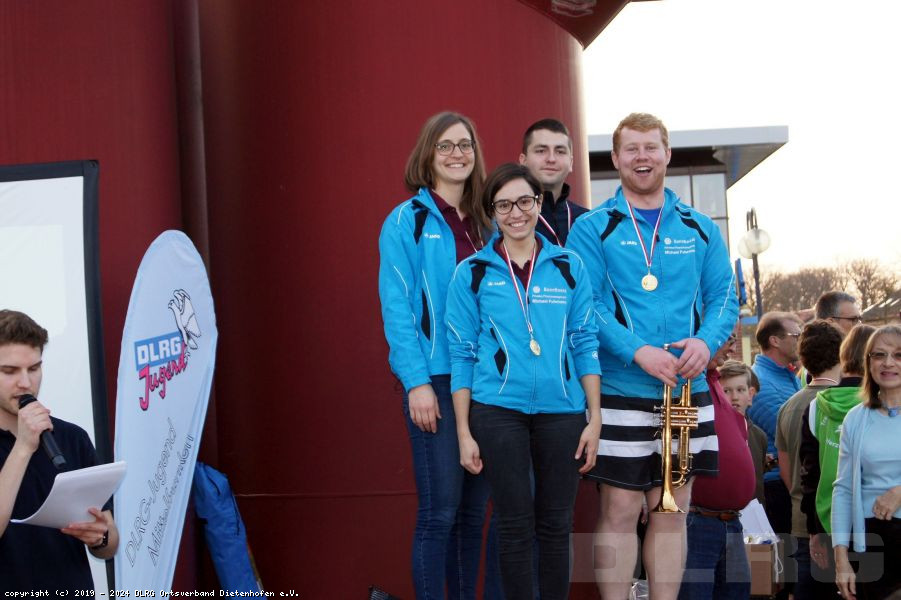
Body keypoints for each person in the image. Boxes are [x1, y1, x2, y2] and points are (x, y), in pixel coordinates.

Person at [566, 112, 738, 600]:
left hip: (686, 390)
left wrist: (705, 343)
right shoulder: (591, 228)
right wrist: (637, 351)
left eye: (650, 147)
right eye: (631, 149)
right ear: (616, 158)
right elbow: (587, 304)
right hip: (621, 389)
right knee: (619, 510)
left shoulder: (700, 228)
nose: (641, 157)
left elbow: (725, 296)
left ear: (666, 154)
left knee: (672, 512)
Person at [446, 163, 601, 600]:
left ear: (538, 203)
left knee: (557, 525)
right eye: (504, 205)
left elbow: (585, 341)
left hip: (563, 410)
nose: (516, 213)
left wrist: (594, 417)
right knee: (513, 525)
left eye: (524, 201)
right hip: (497, 410)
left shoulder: (569, 266)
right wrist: (464, 433)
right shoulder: (472, 272)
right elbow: (462, 355)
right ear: (492, 212)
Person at [378, 111, 497, 599]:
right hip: (438, 382)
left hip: (488, 384)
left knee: (473, 516)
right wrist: (417, 383)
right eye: (445, 145)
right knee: (440, 511)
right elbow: (397, 309)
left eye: (465, 145)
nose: (456, 154)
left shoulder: (490, 221)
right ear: (428, 155)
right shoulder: (405, 221)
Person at [0, 309, 119, 592]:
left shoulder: (72, 437)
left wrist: (100, 537)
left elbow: (110, 542)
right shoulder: (22, 446)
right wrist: (23, 447)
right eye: (9, 371)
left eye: (34, 368)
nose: (26, 383)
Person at [798, 323, 874, 596]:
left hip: (829, 521)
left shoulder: (816, 406)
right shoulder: (884, 405)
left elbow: (810, 474)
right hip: (877, 518)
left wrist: (813, 530)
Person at [678, 335, 756, 600]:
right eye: (726, 338)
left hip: (732, 524)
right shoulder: (689, 384)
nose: (732, 346)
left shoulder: (714, 382)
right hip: (698, 524)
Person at [774, 320, 844, 600]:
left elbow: (786, 471)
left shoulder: (788, 407)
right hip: (835, 522)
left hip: (800, 521)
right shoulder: (845, 404)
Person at [832, 325, 901, 600]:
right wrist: (841, 560)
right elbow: (843, 490)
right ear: (868, 362)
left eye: (898, 355)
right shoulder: (856, 419)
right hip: (871, 543)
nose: (888, 363)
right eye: (879, 355)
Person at [748, 312, 803, 544]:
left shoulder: (787, 376)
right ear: (775, 341)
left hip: (790, 479)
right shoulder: (761, 382)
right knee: (786, 558)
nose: (801, 340)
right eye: (796, 335)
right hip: (777, 487)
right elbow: (795, 434)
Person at [518, 119, 587, 246]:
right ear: (523, 161)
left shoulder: (588, 220)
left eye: (560, 152)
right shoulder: (509, 220)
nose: (551, 159)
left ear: (571, 163)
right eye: (541, 151)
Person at [720, 360, 768, 507]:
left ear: (750, 395)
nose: (734, 397)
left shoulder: (759, 436)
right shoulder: (711, 435)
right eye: (726, 391)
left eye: (740, 390)